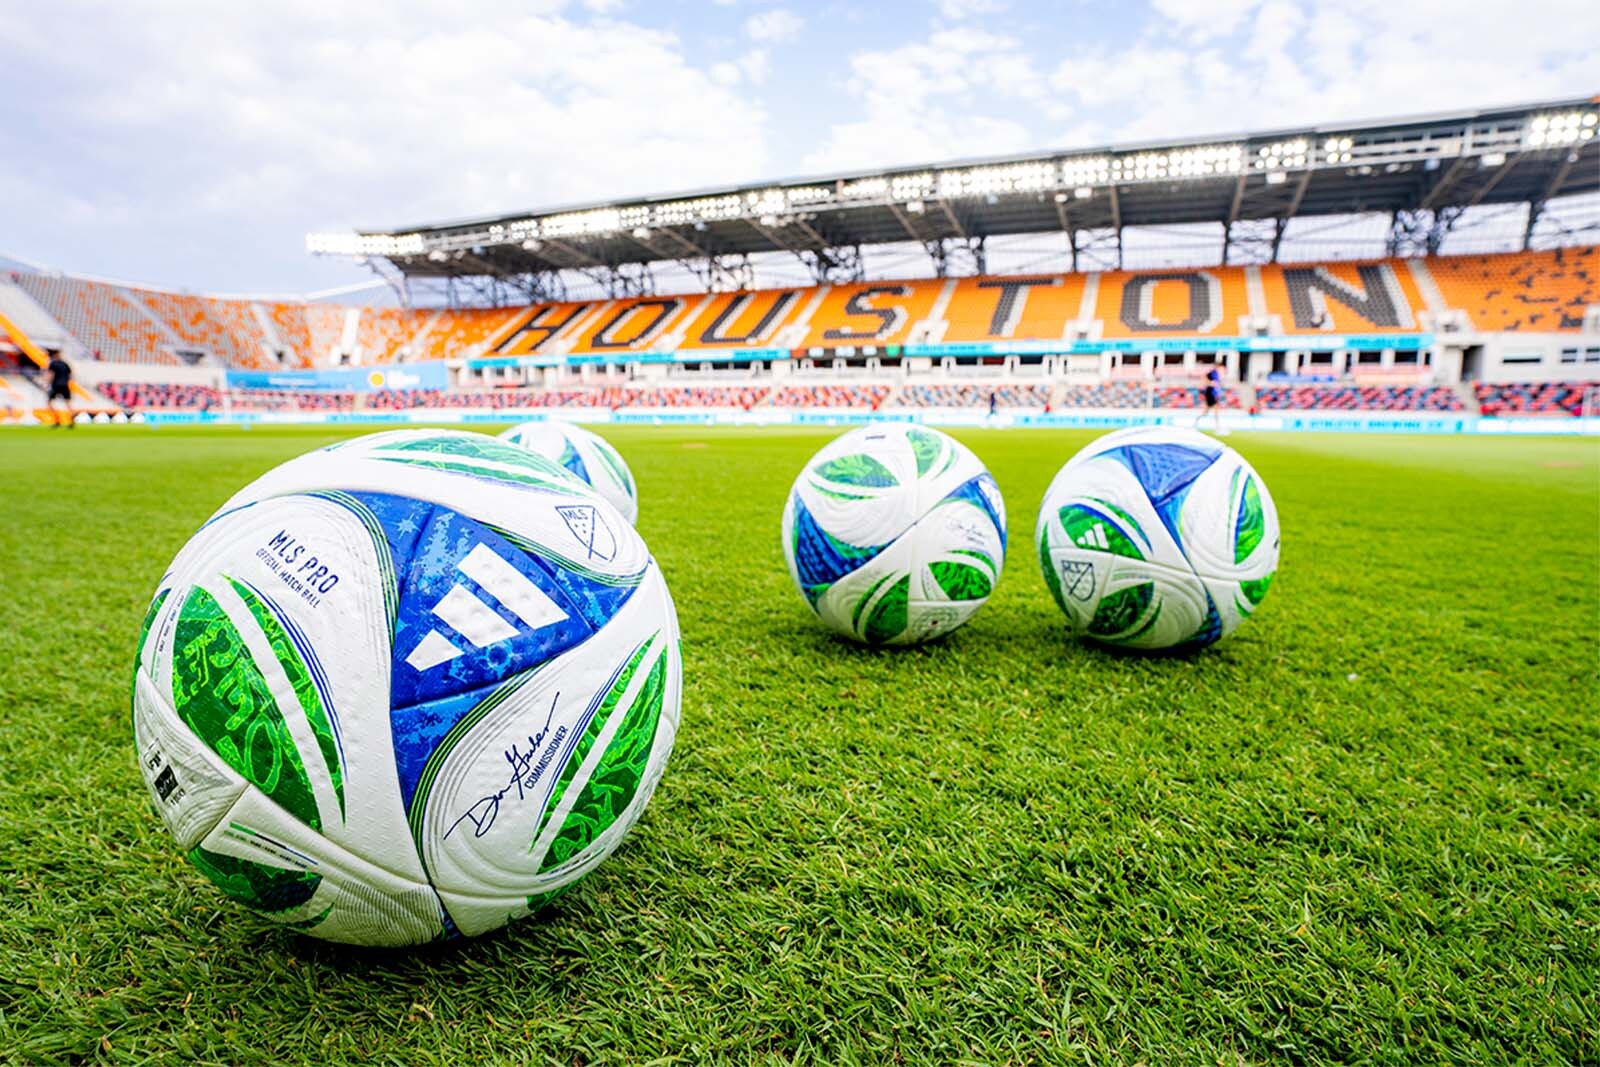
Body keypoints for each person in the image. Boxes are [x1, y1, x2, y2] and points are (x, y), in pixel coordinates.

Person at [45, 352, 74, 429]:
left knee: (49, 402)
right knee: (68, 403)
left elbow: (51, 374)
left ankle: (57, 420)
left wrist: (47, 384)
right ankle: (71, 421)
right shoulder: (65, 364)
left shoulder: (53, 363)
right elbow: (70, 375)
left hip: (56, 385)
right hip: (65, 385)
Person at [1202, 365, 1228, 436]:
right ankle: (1217, 428)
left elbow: (1216, 388)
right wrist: (1211, 384)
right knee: (1212, 412)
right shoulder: (1212, 376)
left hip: (1212, 395)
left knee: (1207, 412)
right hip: (1210, 395)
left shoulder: (1215, 377)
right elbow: (1205, 380)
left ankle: (1217, 428)